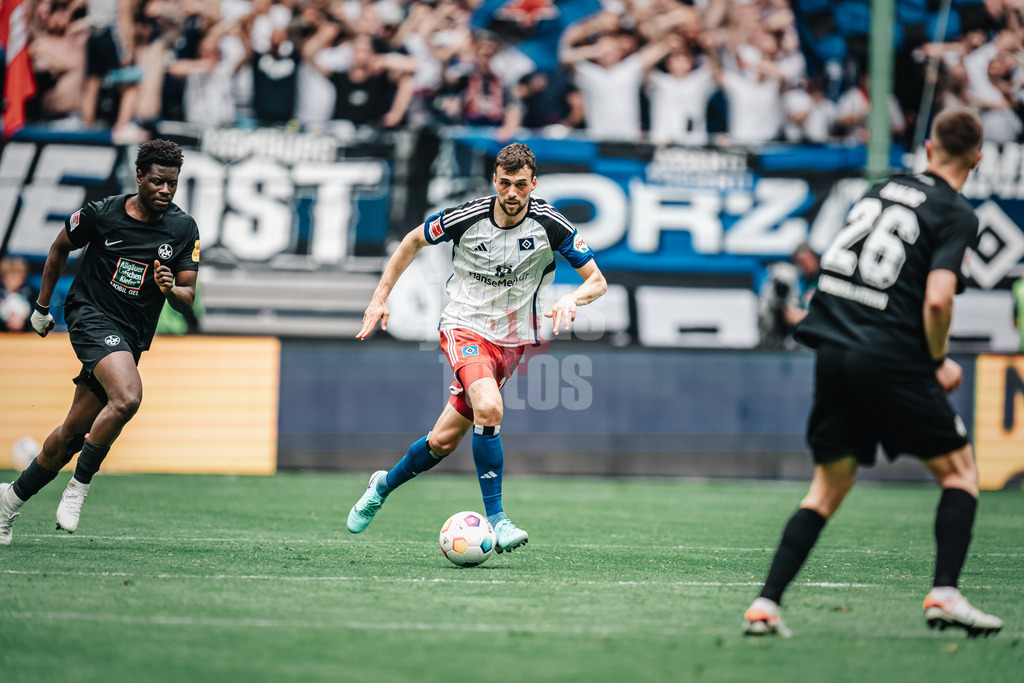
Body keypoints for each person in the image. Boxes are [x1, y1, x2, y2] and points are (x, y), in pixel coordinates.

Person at [742, 107, 1003, 638]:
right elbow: (936, 301)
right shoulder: (957, 213)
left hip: (834, 348)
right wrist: (936, 363)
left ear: (929, 148)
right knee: (960, 475)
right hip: (888, 355)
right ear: (977, 158)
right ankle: (945, 594)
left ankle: (766, 605)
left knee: (828, 486)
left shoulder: (879, 190)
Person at [346, 142, 607, 551]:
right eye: (505, 183)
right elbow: (413, 241)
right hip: (463, 327)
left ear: (533, 184)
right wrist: (380, 297)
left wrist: (572, 299)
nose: (512, 193)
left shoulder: (550, 224)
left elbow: (597, 281)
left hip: (512, 342)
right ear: (495, 181)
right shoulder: (466, 217)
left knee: (442, 442)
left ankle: (383, 484)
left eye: (521, 185)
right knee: (489, 407)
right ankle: (498, 520)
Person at [0, 139, 200, 545]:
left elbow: (187, 299)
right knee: (127, 397)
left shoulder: (182, 228)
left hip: (131, 335)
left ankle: (9, 501)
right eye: (158, 182)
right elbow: (58, 250)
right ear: (140, 177)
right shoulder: (101, 214)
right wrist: (41, 308)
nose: (165, 190)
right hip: (90, 315)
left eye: (173, 184)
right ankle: (79, 488)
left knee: (72, 435)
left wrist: (168, 289)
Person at [756, 242, 820, 350]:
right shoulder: (804, 281)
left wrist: (800, 315)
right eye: (800, 262)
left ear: (814, 258)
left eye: (806, 260)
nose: (804, 264)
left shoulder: (824, 280)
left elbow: (827, 313)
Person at [0, 256, 38, 332]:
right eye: (10, 275)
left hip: (26, 336)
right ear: (3, 277)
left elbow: (39, 317)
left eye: (18, 275)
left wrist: (23, 322)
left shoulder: (32, 293)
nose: (14, 279)